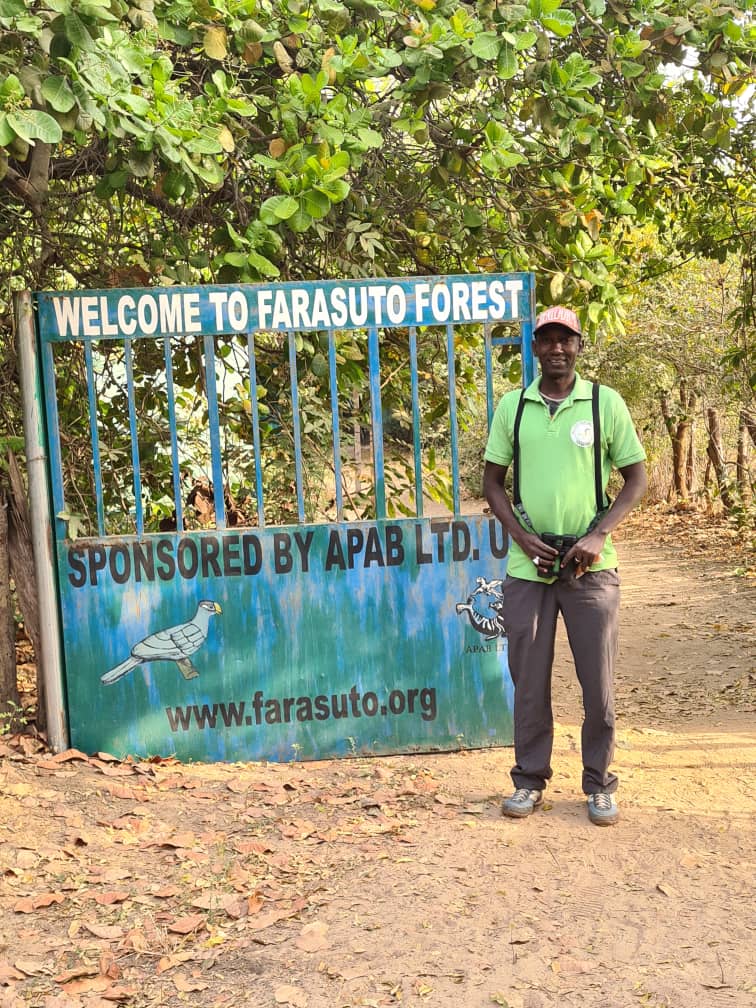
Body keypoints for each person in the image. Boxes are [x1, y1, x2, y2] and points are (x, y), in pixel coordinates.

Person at [483, 306, 647, 826]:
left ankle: (599, 784)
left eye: (566, 339)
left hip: (589, 569)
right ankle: (529, 780)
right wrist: (523, 538)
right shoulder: (514, 405)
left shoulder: (604, 403)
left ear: (579, 346)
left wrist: (599, 535)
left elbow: (638, 477)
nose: (556, 348)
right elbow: (492, 483)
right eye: (547, 339)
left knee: (597, 683)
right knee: (528, 681)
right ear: (534, 347)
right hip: (529, 567)